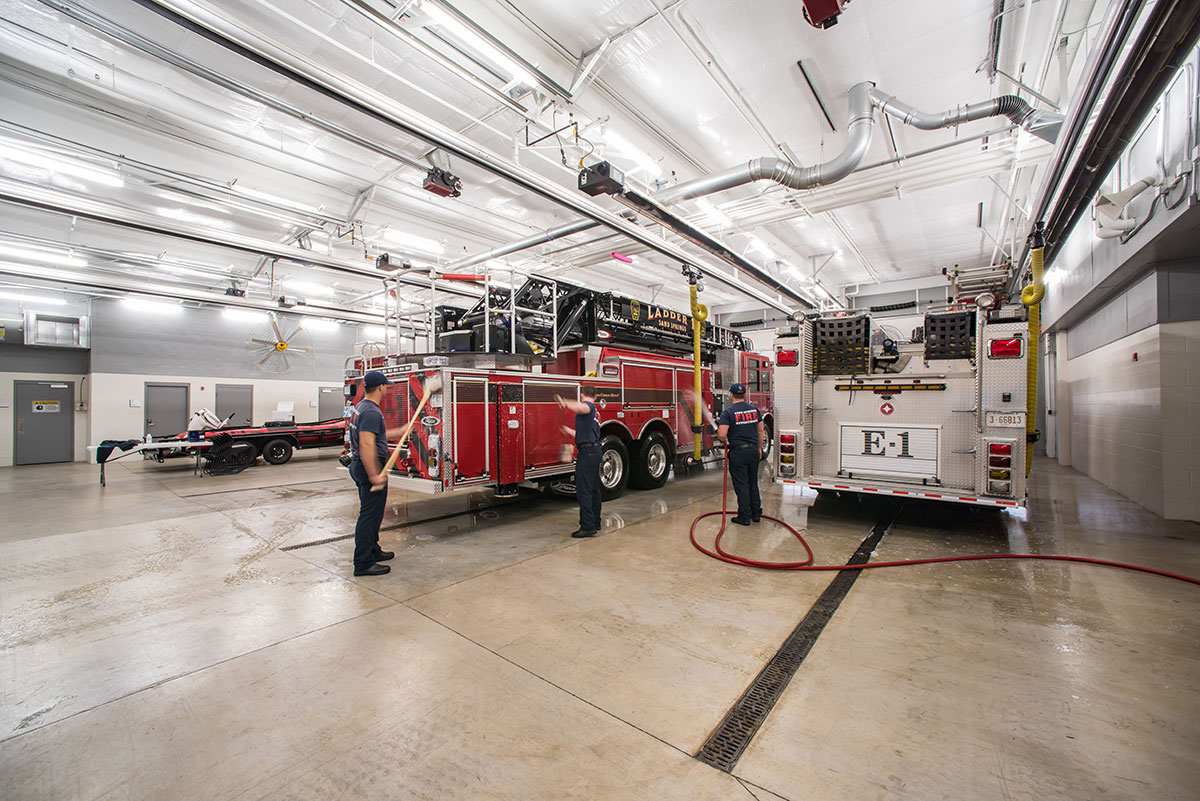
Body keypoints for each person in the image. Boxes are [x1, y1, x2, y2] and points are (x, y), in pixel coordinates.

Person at [347, 370, 406, 576]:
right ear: (380, 387)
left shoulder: (361, 408)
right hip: (367, 468)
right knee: (369, 517)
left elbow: (372, 434)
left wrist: (398, 432)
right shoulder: (371, 411)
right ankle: (363, 563)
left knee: (372, 513)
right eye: (386, 385)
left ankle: (373, 550)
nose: (387, 388)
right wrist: (374, 474)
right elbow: (366, 444)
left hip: (358, 466)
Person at [717, 382, 765, 526]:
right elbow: (761, 431)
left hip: (738, 452)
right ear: (744, 395)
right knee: (752, 483)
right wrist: (759, 448)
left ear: (731, 395)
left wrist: (722, 439)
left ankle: (744, 517)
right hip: (753, 451)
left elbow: (722, 434)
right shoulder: (754, 410)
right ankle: (756, 513)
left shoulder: (728, 412)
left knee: (742, 485)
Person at [556, 386, 602, 538]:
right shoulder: (595, 411)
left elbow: (582, 408)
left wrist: (565, 402)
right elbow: (583, 433)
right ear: (595, 396)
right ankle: (595, 522)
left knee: (584, 490)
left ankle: (588, 526)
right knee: (594, 489)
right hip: (594, 451)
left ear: (582, 395)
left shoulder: (588, 406)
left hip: (587, 454)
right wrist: (568, 430)